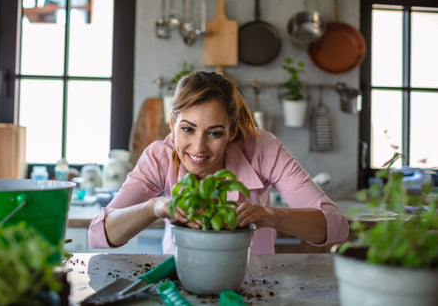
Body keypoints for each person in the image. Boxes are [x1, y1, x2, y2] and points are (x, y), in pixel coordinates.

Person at [88, 71, 349, 254]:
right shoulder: (159, 155)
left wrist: (270, 216)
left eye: (214, 133)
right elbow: (98, 235)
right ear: (172, 124)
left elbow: (336, 226)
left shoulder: (262, 148)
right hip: (180, 282)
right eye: (188, 129)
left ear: (232, 132)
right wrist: (154, 207)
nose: (198, 147)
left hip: (254, 285)